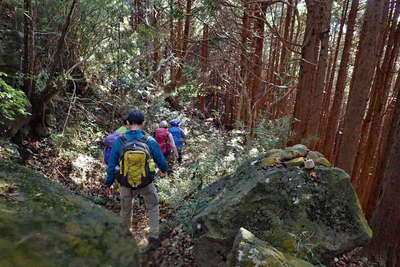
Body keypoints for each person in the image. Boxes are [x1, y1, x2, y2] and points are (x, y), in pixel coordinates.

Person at [104, 110, 167, 251]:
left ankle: (125, 238)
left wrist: (108, 183)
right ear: (143, 123)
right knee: (153, 206)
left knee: (125, 210)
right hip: (146, 181)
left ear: (127, 123)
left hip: (125, 182)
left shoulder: (120, 141)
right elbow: (163, 163)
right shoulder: (149, 140)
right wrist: (163, 170)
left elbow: (111, 164)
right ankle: (154, 238)